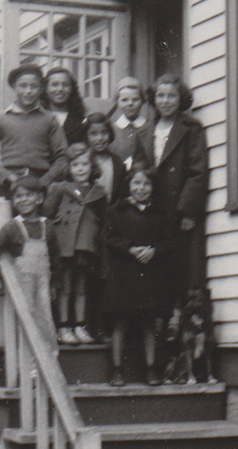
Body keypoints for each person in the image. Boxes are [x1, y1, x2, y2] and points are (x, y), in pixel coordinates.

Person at [132, 73, 209, 333]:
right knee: (157, 267)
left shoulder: (191, 128)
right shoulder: (145, 132)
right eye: (160, 96)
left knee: (183, 267)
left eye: (171, 96)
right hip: (154, 208)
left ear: (181, 99)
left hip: (179, 207)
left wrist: (188, 209)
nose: (165, 101)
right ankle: (158, 326)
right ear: (153, 99)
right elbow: (140, 169)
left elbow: (198, 171)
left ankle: (181, 323)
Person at [102, 164, 174, 386]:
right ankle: (117, 370)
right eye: (136, 183)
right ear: (128, 185)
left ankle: (151, 369)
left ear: (152, 187)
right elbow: (108, 238)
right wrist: (130, 248)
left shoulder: (160, 212)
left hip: (150, 274)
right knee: (121, 321)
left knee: (148, 322)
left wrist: (154, 250)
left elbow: (170, 241)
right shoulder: (116, 210)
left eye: (146, 184)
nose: (141, 188)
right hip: (124, 275)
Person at [43, 143, 108, 345]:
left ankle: (80, 326)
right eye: (75, 165)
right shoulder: (60, 188)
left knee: (81, 287)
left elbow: (103, 220)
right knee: (65, 286)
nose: (80, 169)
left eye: (85, 164)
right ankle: (64, 327)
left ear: (92, 166)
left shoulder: (98, 192)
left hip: (85, 245)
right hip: (64, 245)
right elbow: (48, 213)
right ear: (69, 169)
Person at [0, 176, 59, 349]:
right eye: (18, 196)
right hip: (23, 283)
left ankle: (48, 358)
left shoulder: (47, 226)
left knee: (45, 317)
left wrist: (54, 284)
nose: (23, 199)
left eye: (28, 195)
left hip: (43, 282)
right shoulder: (12, 227)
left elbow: (55, 257)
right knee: (26, 316)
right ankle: (28, 363)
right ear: (14, 201)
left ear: (39, 198)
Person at [0, 63, 68, 197]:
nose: (28, 91)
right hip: (9, 186)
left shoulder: (49, 119)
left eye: (34, 86)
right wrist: (8, 177)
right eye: (23, 86)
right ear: (14, 87)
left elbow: (63, 157)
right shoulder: (1, 118)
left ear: (41, 89)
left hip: (40, 185)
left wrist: (44, 181)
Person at [84, 112, 127, 205]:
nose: (100, 138)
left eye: (104, 133)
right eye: (93, 134)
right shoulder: (83, 161)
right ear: (86, 136)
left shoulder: (117, 163)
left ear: (110, 134)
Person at [108, 77, 150, 169]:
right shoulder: (111, 129)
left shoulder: (150, 127)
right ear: (117, 102)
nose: (130, 103)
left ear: (142, 101)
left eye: (135, 99)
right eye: (124, 100)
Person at [42, 67, 87, 145]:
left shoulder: (82, 120)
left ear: (72, 89)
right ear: (45, 89)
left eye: (66, 85)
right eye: (54, 85)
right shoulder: (37, 116)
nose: (60, 89)